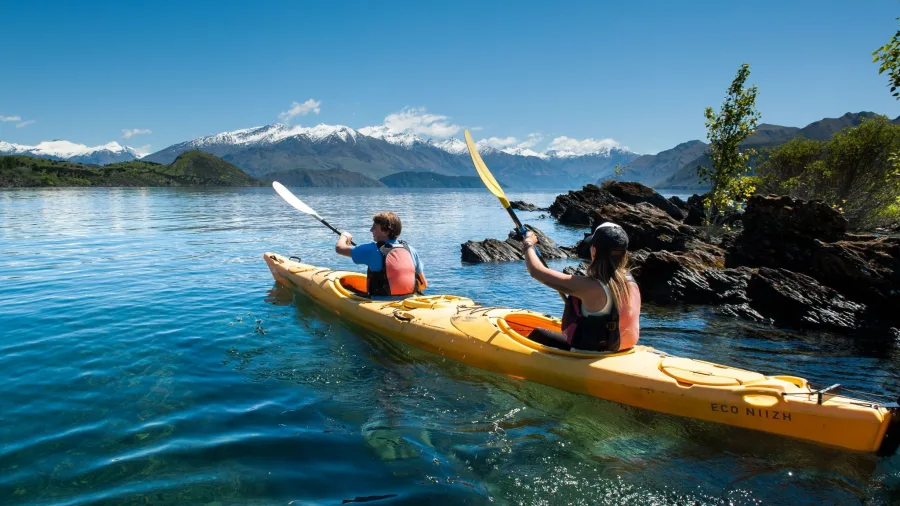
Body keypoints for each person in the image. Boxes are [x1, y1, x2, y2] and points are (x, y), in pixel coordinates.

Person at [520, 222, 640, 352]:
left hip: (592, 354)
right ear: (624, 254)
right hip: (622, 349)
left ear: (594, 251)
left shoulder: (589, 287)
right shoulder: (630, 282)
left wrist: (528, 244)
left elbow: (536, 271)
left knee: (539, 334)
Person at [335, 212, 427, 297]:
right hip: (410, 300)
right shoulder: (411, 250)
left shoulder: (371, 249)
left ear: (386, 231)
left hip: (380, 302)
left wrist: (344, 236)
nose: (371, 230)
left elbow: (339, 248)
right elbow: (423, 285)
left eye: (374, 227)